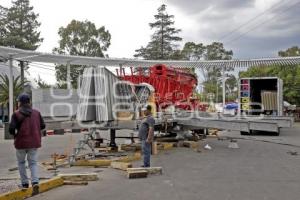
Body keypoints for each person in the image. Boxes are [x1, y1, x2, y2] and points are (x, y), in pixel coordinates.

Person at [9, 93, 45, 195]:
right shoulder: (37, 113)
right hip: (34, 142)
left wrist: (16, 134)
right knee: (33, 163)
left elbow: (11, 129)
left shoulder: (16, 114)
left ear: (20, 102)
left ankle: (25, 184)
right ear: (29, 102)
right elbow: (42, 126)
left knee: (21, 163)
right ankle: (35, 182)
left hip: (21, 143)